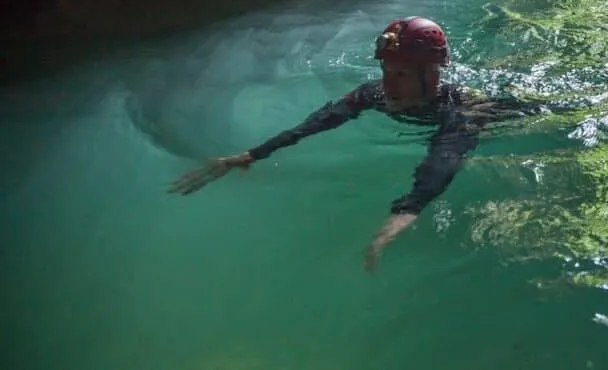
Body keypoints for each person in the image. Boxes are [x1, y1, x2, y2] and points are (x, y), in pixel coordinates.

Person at [167, 16, 549, 271]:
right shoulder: (375, 94)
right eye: (384, 70)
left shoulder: (462, 109)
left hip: (514, 113)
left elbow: (445, 156)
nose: (388, 83)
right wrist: (252, 154)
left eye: (400, 73)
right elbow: (319, 121)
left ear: (432, 73)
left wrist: (407, 211)